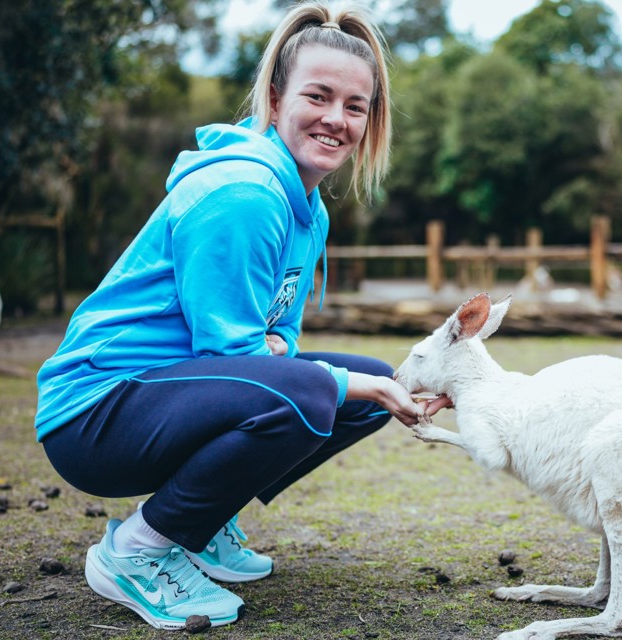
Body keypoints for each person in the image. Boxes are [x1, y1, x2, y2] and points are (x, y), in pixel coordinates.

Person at [35, 2, 446, 630]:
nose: (337, 119)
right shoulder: (244, 195)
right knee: (325, 392)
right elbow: (241, 361)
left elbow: (274, 340)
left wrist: (325, 373)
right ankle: (139, 550)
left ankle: (197, 524)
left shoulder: (307, 206)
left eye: (356, 106)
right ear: (277, 99)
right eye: (319, 96)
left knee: (357, 387)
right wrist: (308, 372)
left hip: (170, 395)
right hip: (95, 415)